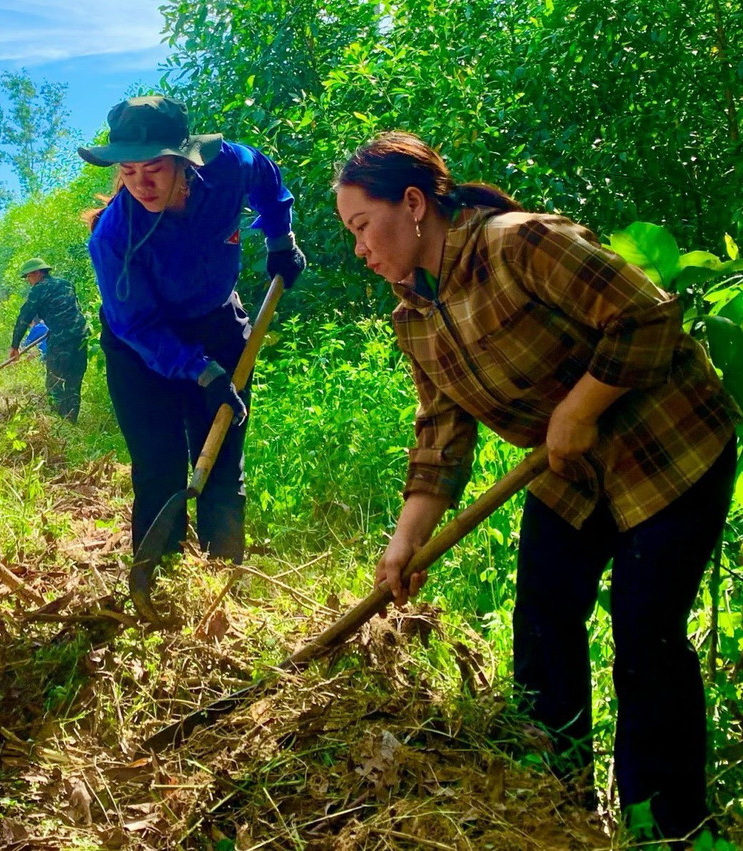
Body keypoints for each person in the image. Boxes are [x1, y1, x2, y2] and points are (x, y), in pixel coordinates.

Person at [335, 132, 739, 845]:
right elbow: (441, 435)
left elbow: (646, 311)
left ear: (412, 203)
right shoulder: (415, 315)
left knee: (645, 635)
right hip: (573, 474)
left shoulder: (516, 243)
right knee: (543, 617)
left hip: (669, 449)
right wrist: (406, 541)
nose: (361, 250)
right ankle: (552, 798)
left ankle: (665, 825)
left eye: (362, 227)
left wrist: (580, 407)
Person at [79, 95, 306, 562]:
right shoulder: (114, 237)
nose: (140, 184)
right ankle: (158, 581)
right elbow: (135, 323)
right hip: (142, 349)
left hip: (217, 324)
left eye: (154, 169)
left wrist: (280, 239)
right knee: (160, 469)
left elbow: (266, 177)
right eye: (128, 171)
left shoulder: (227, 168)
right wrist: (201, 373)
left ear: (183, 159)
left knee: (222, 465)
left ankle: (222, 580)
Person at [10, 258, 88, 421]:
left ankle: (60, 423)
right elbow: (75, 310)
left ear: (37, 273)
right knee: (74, 384)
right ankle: (71, 422)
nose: (28, 282)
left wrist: (15, 346)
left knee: (54, 383)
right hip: (81, 338)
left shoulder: (39, 289)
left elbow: (24, 318)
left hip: (60, 341)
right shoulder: (66, 284)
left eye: (28, 277)